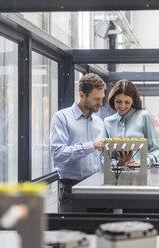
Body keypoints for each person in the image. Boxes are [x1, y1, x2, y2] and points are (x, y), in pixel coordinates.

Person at [50, 73, 106, 212]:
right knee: (71, 231)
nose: (100, 103)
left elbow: (100, 157)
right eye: (96, 99)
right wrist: (90, 146)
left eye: (102, 98)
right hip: (71, 190)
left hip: (96, 187)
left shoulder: (98, 122)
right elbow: (58, 154)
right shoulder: (61, 118)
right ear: (82, 95)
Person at [104, 79, 159, 166]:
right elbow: (106, 154)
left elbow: (155, 149)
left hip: (141, 173)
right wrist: (118, 163)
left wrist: (142, 163)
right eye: (118, 101)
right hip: (116, 175)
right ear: (112, 100)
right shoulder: (108, 122)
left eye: (127, 102)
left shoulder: (144, 116)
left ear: (133, 101)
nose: (122, 106)